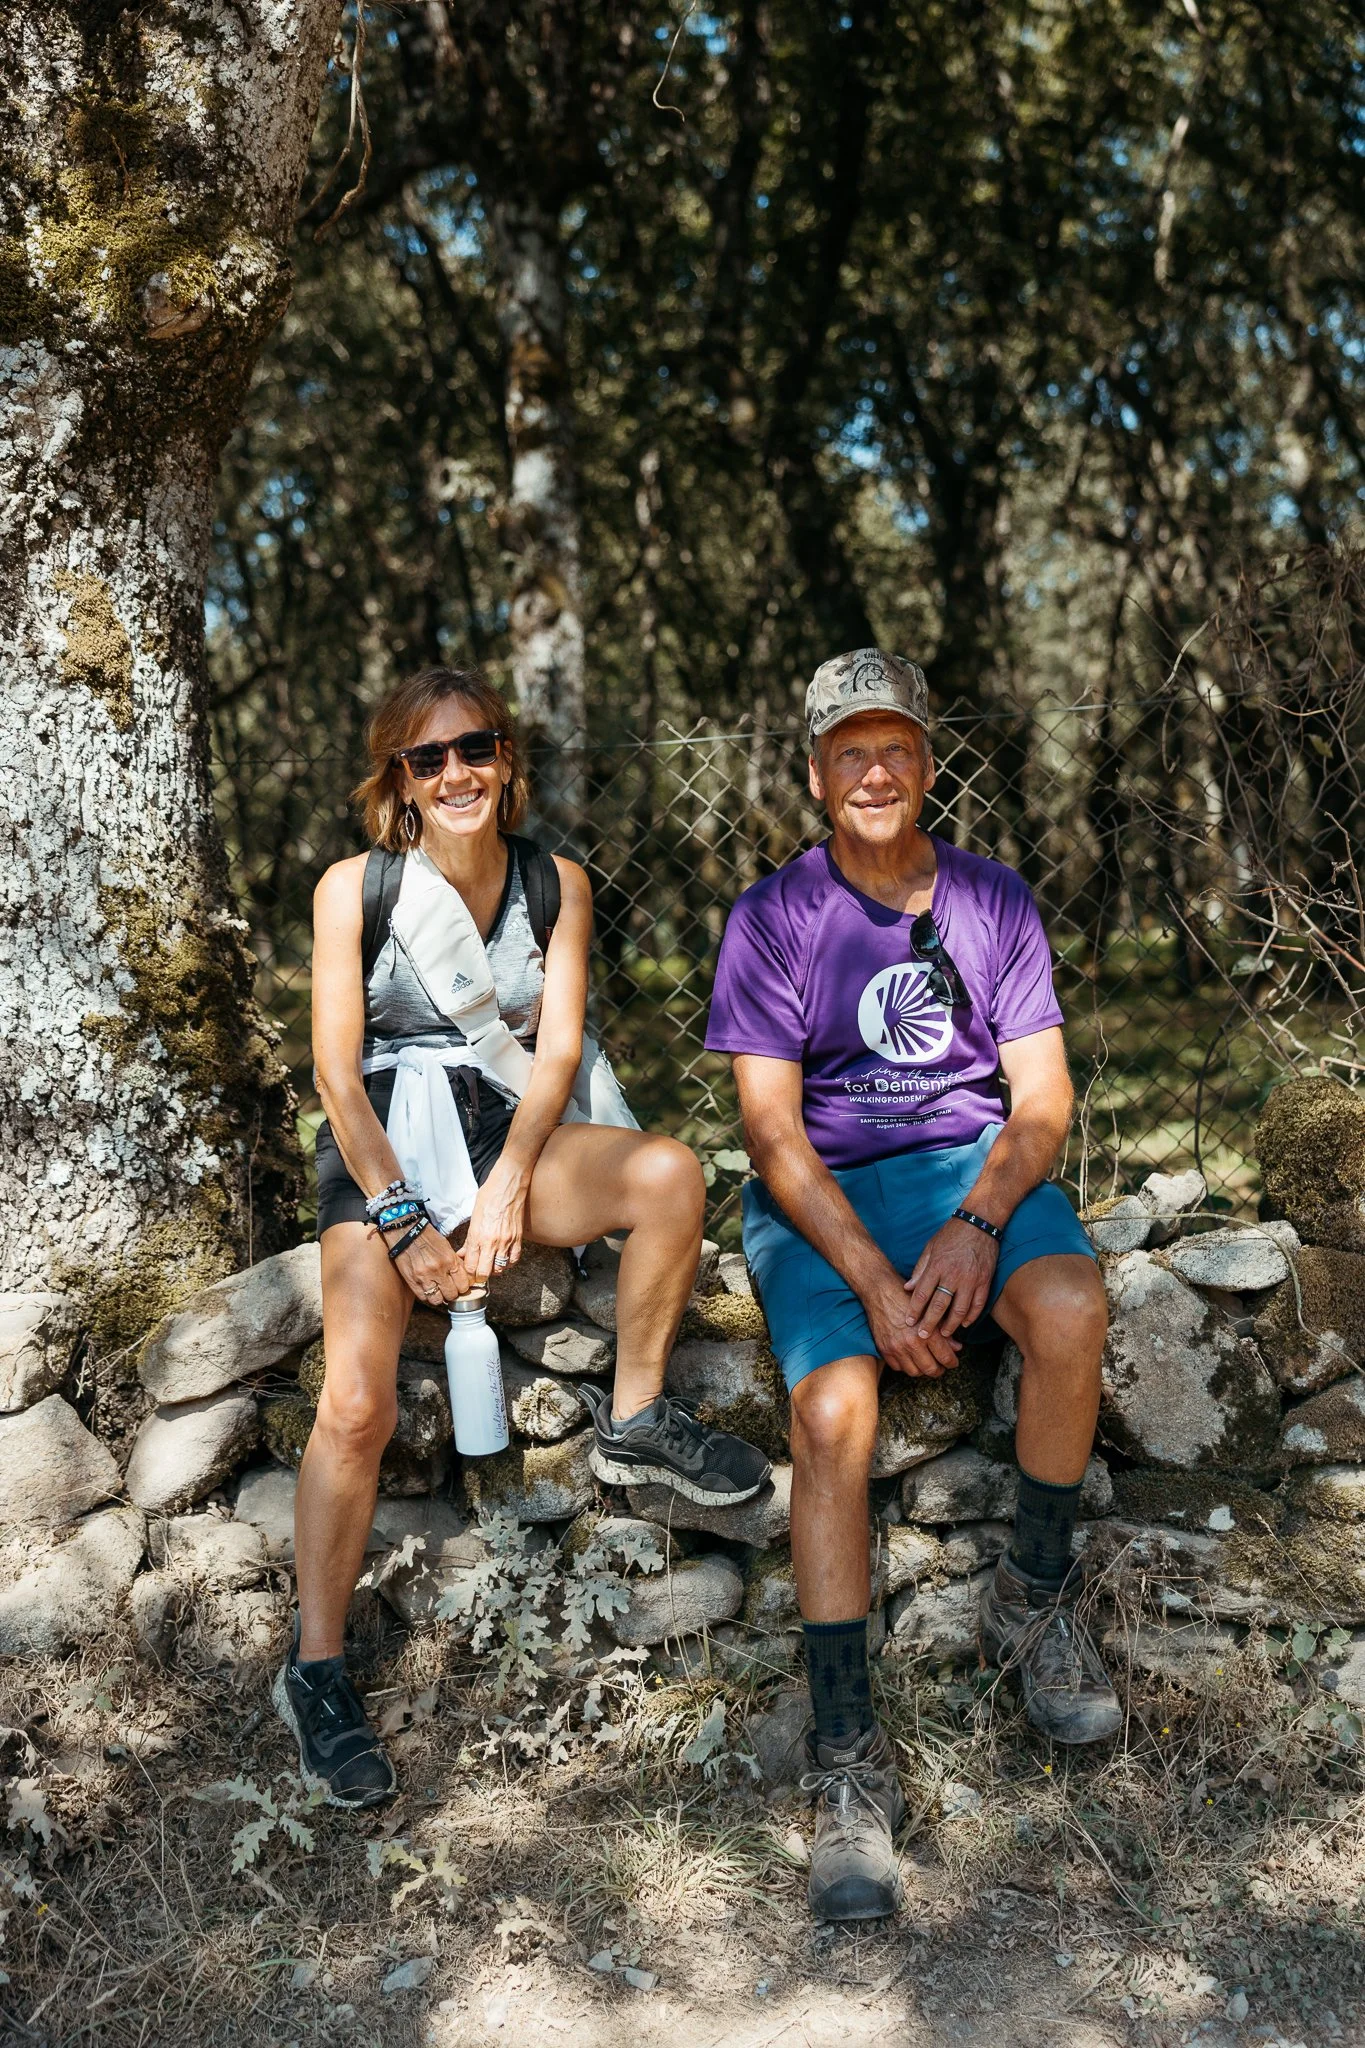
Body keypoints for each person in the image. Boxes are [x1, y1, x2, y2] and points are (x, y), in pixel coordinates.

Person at [275, 665, 770, 1807]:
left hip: (507, 1127)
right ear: (396, 778)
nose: (457, 772)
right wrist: (400, 1218)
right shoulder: (356, 888)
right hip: (383, 1146)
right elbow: (336, 1078)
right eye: (428, 756)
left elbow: (552, 1058)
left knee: (668, 1174)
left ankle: (637, 1416)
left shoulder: (558, 883)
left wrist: (506, 1185)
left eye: (476, 748)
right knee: (356, 1403)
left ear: (508, 761)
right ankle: (316, 1668)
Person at [705, 649, 1119, 1924]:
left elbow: (1041, 1098)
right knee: (833, 1411)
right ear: (816, 772)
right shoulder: (773, 916)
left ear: (928, 763)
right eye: (849, 750)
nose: (874, 769)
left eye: (896, 747)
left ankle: (1030, 1597)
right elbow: (772, 1136)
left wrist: (981, 1219)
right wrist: (879, 1283)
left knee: (1071, 1306)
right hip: (825, 1192)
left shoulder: (992, 899)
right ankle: (845, 1759)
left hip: (964, 1170)